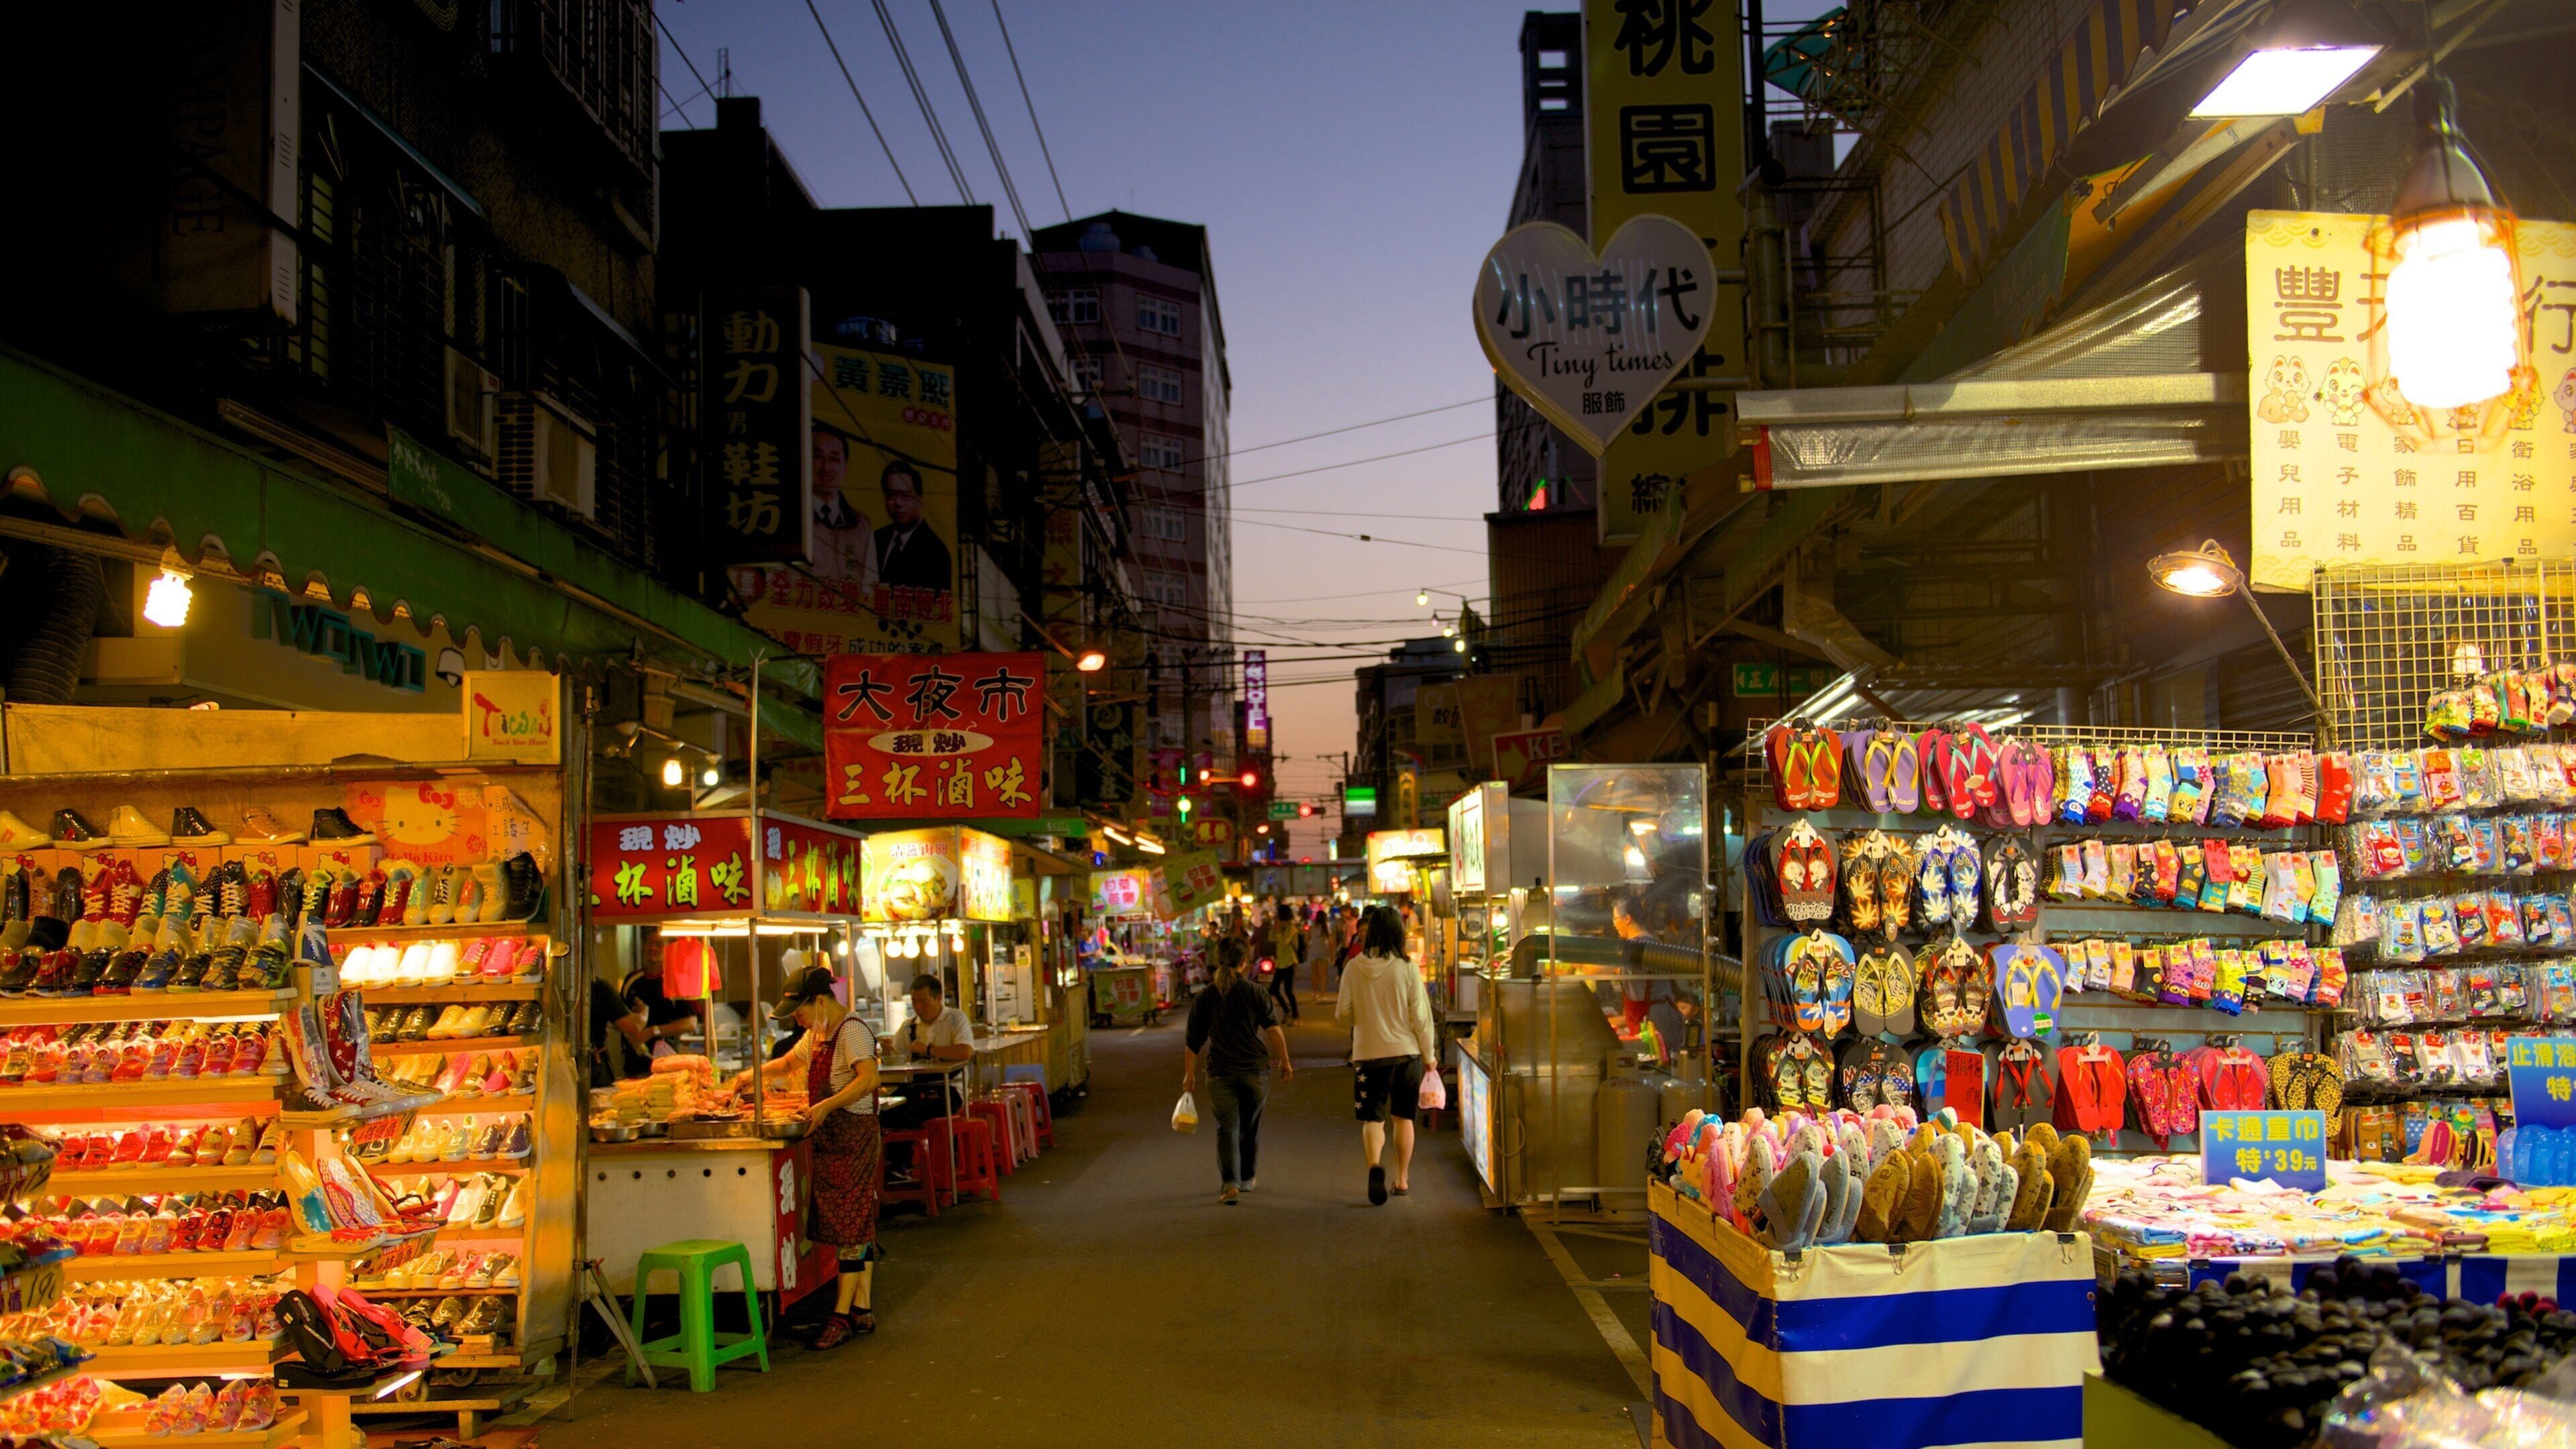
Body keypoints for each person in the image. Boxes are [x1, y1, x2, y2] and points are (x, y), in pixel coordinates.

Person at [740, 965, 880, 1348]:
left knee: (850, 1225)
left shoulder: (850, 1030)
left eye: (800, 1012)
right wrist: (752, 1075)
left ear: (820, 1001)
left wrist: (825, 1107)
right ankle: (862, 1308)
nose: (798, 1021)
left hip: (853, 1135)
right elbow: (788, 1064)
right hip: (833, 1136)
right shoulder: (818, 1033)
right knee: (855, 1220)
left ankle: (840, 1316)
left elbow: (869, 1080)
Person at [1335, 904, 1438, 1205]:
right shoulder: (1407, 969)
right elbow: (1421, 1018)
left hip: (1369, 1056)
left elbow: (1342, 1014)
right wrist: (1430, 1056)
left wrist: (1364, 1014)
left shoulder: (1354, 967)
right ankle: (1403, 1179)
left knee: (1373, 1119)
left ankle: (1374, 1166)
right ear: (1399, 933)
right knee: (1403, 1119)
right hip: (1406, 1056)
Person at [1181, 936, 1292, 1205]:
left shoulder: (1205, 996)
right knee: (1250, 1126)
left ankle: (1229, 1184)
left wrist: (1189, 1075)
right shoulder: (1255, 992)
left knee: (1226, 1128)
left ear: (1218, 961)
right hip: (1255, 1071)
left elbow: (1193, 1041)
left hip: (1220, 1073)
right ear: (1244, 962)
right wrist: (1285, 1062)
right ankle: (1247, 1178)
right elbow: (1274, 1030)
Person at [880, 973, 975, 1130]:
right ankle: (907, 1152)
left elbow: (966, 1052)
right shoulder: (908, 1027)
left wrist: (928, 1050)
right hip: (915, 1090)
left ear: (938, 999)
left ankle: (926, 1151)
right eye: (914, 1001)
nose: (918, 1007)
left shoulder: (955, 1019)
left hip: (950, 1091)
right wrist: (888, 1051)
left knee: (905, 1114)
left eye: (923, 1001)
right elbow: (899, 1058)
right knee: (883, 1112)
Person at [616, 943, 702, 1076]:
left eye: (659, 945)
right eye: (649, 943)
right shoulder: (632, 980)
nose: (653, 948)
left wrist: (652, 1031)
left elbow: (690, 1023)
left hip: (667, 1064)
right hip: (634, 1066)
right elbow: (617, 1020)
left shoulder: (676, 980)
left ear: (668, 950)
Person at [872, 460, 953, 592]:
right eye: (891, 495)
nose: (898, 503)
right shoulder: (876, 539)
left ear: (919, 499)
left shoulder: (935, 551)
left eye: (905, 496)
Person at [587, 975, 649, 1089]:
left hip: (561, 1067)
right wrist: (644, 1012)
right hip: (593, 1068)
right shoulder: (599, 987)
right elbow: (633, 1025)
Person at [1264, 906, 1301, 1021]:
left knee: (1288, 991)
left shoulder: (1291, 927)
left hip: (1290, 962)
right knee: (1274, 989)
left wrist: (1279, 929)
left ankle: (1295, 1015)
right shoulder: (1279, 927)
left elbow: (1286, 940)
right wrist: (1275, 928)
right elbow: (1271, 938)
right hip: (1280, 963)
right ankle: (1288, 1011)